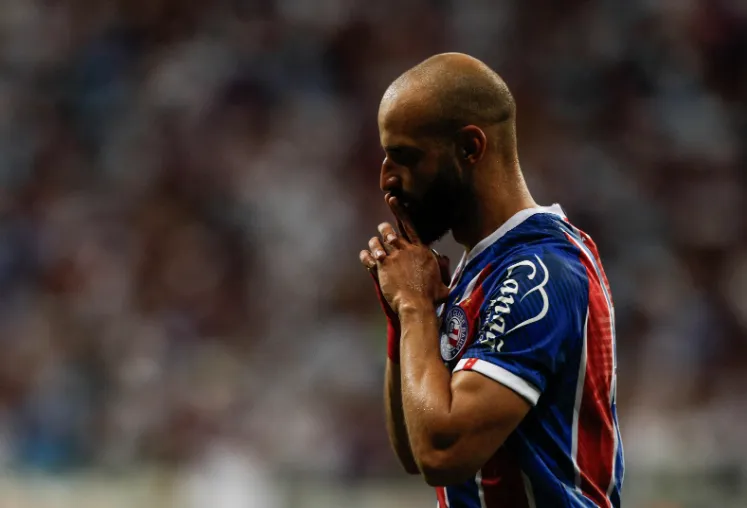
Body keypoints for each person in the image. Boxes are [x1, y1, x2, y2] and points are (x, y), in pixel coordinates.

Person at [359, 53, 623, 507]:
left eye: (405, 156)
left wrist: (416, 309)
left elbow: (444, 451)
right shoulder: (479, 270)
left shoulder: (537, 273)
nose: (386, 178)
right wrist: (404, 320)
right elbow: (412, 447)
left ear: (470, 148)